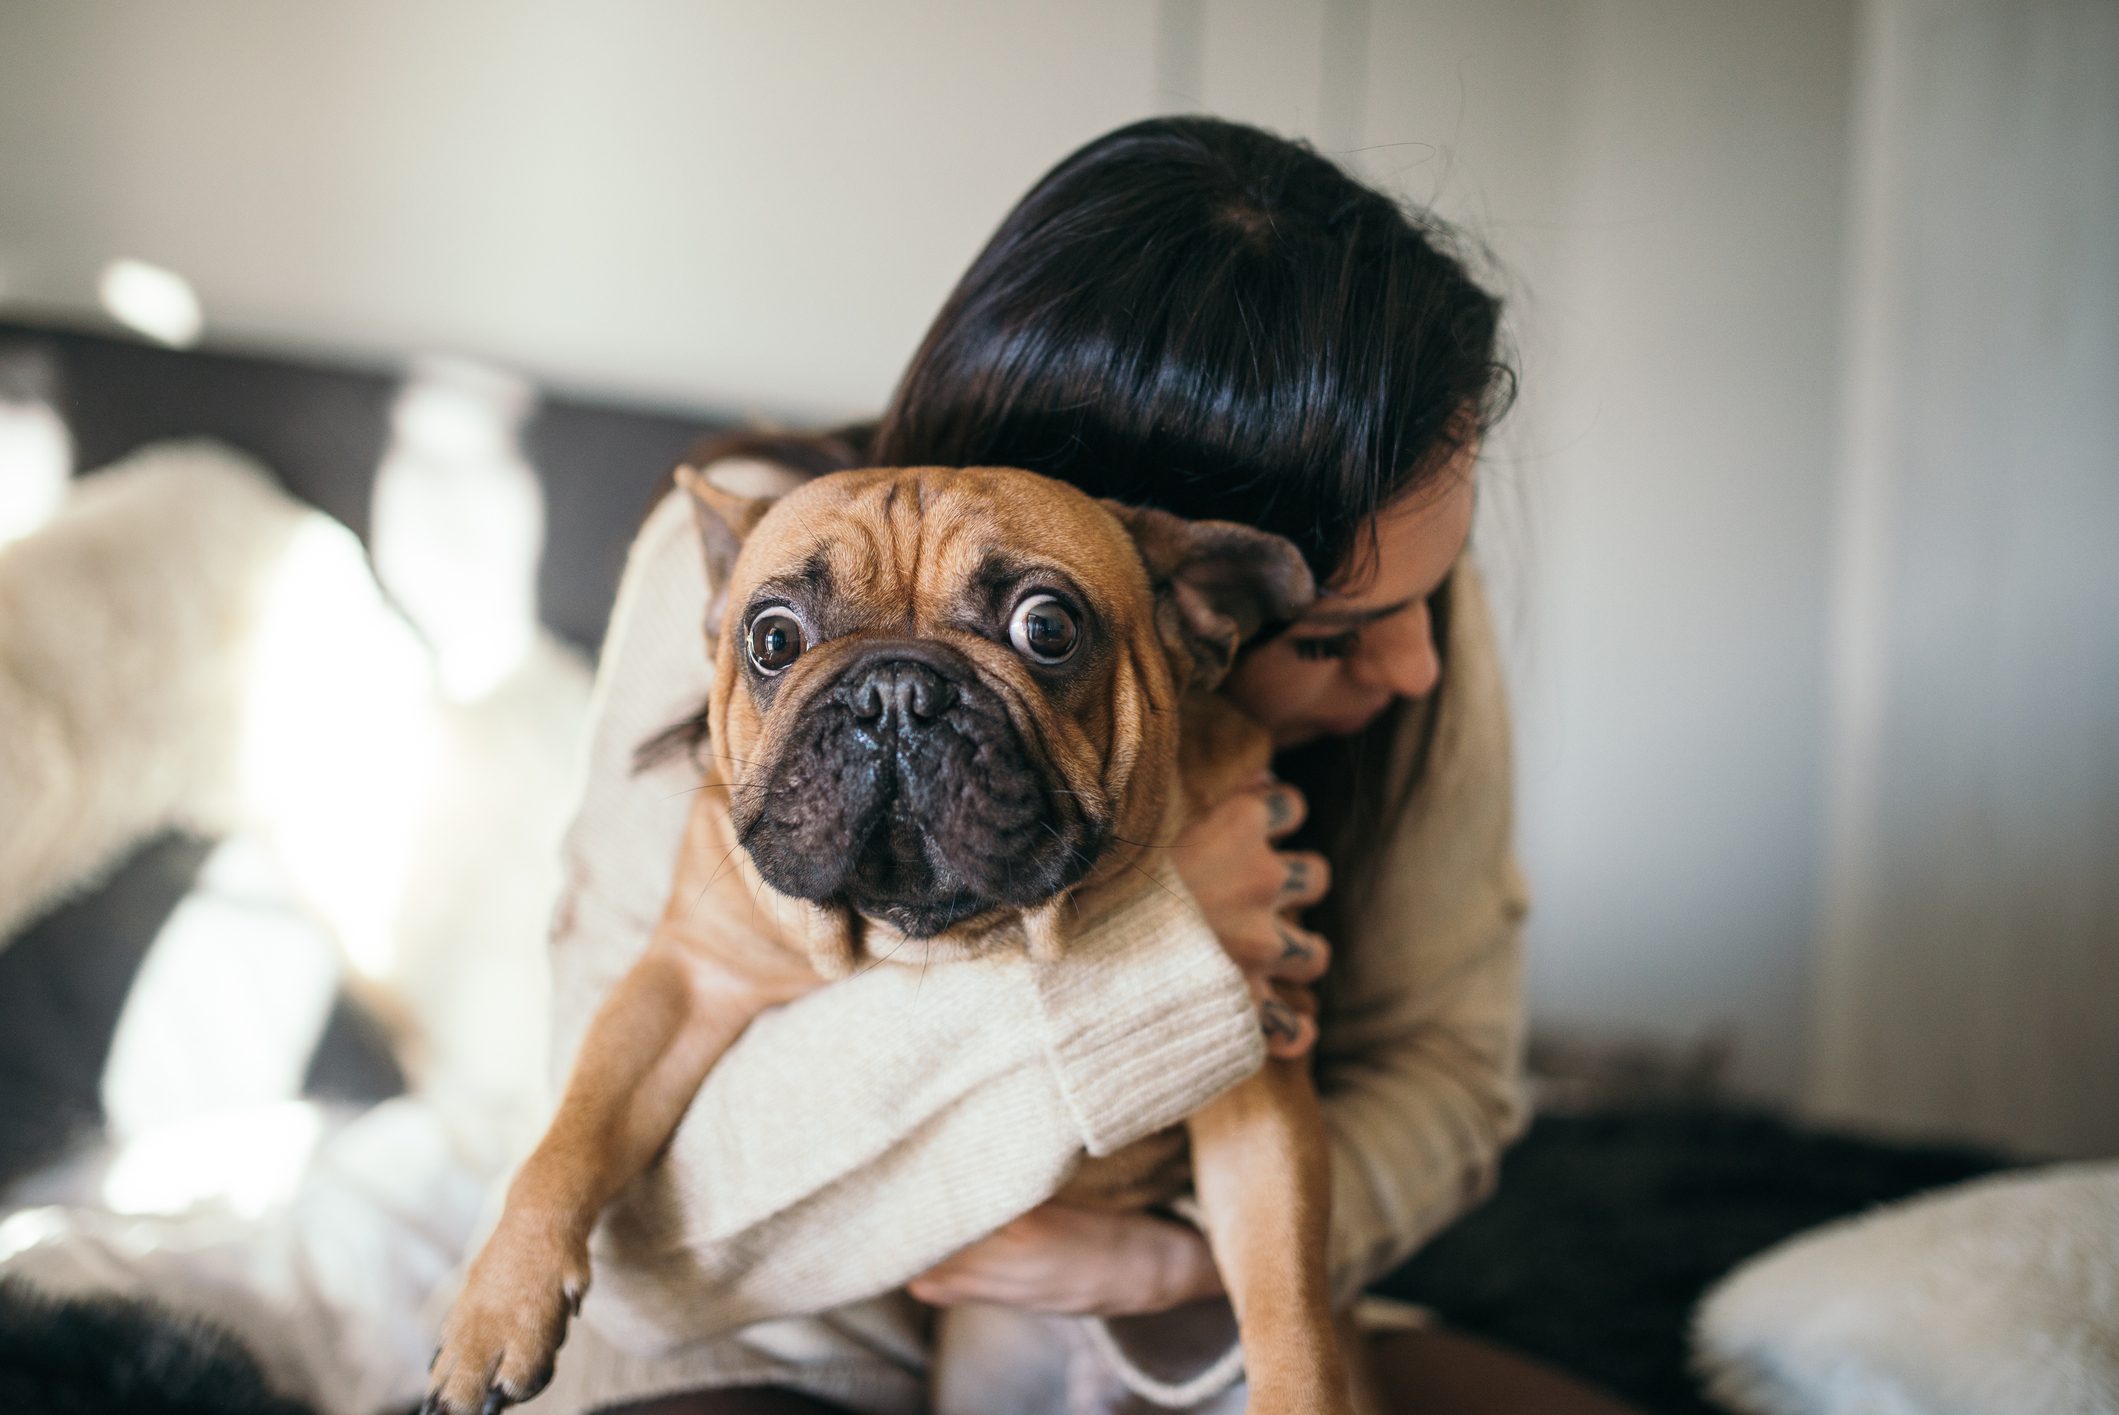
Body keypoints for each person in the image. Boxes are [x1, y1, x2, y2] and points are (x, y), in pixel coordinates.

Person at [529, 117, 1638, 1414]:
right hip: (764, 1348)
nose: (1416, 672)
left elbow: (1451, 1073)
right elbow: (639, 1243)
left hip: (1209, 1304)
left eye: (1433, 606)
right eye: (1332, 635)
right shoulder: (753, 552)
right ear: (1174, 588)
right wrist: (1147, 955)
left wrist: (1166, 1269)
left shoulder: (1399, 579)